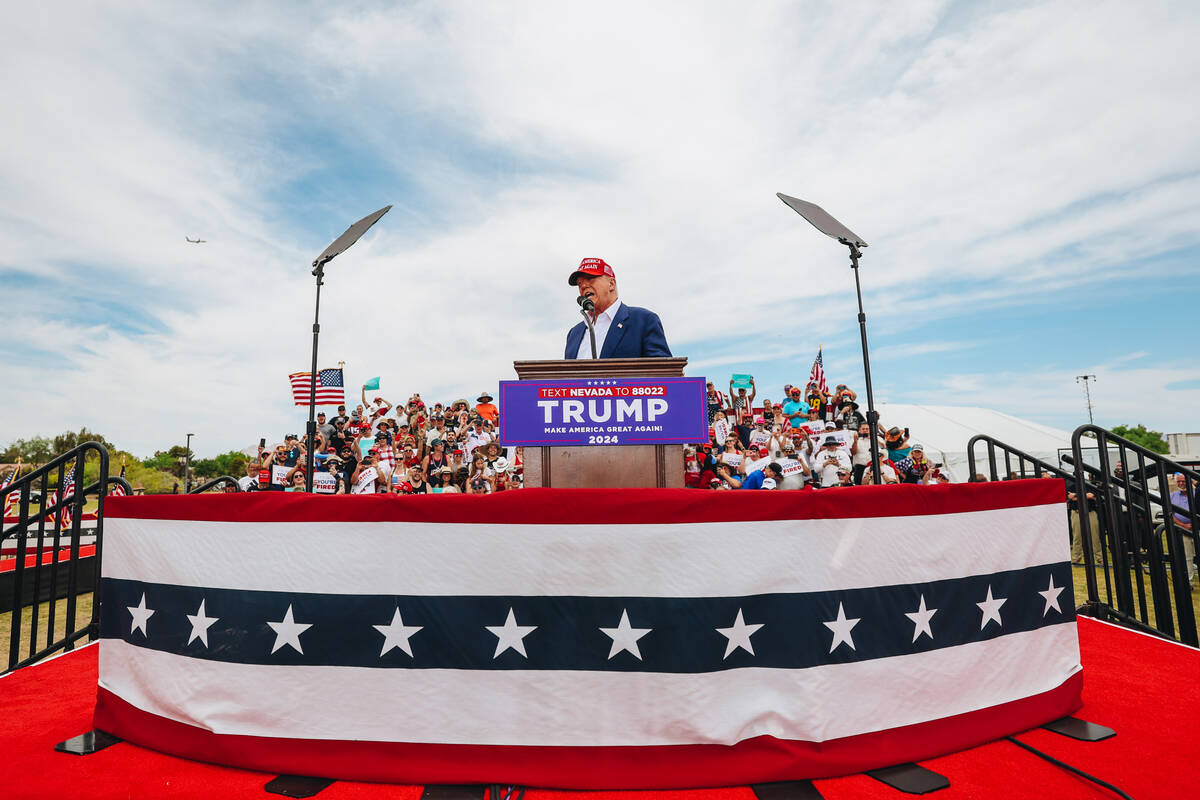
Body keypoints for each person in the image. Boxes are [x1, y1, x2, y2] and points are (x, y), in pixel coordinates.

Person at [565, 258, 671, 358]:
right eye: (580, 283)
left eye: (590, 279)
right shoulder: (574, 333)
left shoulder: (643, 320)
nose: (583, 286)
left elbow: (663, 371)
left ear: (611, 284)